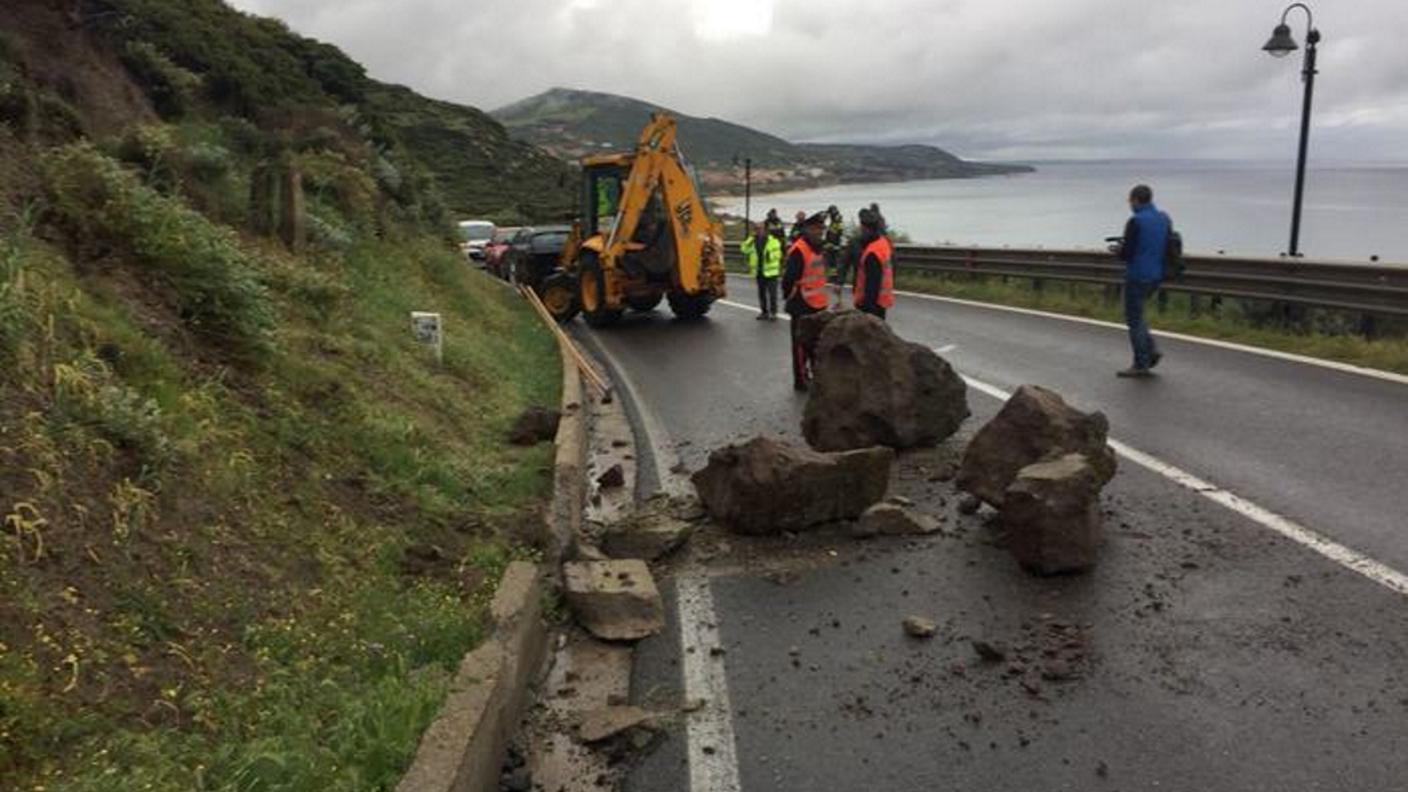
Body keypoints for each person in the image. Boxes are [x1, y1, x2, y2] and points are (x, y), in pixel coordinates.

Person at [1113, 184, 1170, 378]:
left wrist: (1117, 250)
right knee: (1139, 315)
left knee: (1134, 319)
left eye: (1130, 201)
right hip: (1156, 275)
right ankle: (1151, 350)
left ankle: (1141, 363)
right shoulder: (1164, 218)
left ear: (1136, 200)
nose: (1130, 204)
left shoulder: (1135, 221)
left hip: (1137, 274)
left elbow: (1128, 253)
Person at [781, 212, 830, 390]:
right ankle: (800, 380)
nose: (820, 232)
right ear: (808, 229)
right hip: (801, 302)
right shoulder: (799, 249)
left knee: (815, 343)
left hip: (817, 303)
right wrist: (789, 296)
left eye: (821, 229)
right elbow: (789, 278)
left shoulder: (817, 248)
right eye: (817, 229)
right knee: (801, 345)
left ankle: (814, 375)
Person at [852, 208, 893, 319]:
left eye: (862, 228)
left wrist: (868, 311)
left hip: (871, 305)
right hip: (882, 301)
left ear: (866, 229)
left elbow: (872, 285)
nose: (860, 231)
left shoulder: (872, 252)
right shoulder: (883, 242)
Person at [742, 221, 782, 320]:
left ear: (765, 230)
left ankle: (773, 313)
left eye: (760, 228)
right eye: (756, 229)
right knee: (762, 294)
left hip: (771, 272)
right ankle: (764, 312)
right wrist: (750, 238)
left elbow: (779, 254)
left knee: (772, 294)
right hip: (759, 272)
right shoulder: (752, 240)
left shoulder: (773, 240)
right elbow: (744, 249)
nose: (758, 230)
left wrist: (769, 256)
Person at [823, 205, 845, 294]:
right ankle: (833, 278)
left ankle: (836, 279)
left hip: (835, 246)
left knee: (835, 263)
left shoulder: (837, 221)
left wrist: (834, 245)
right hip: (831, 246)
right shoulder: (834, 221)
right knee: (832, 263)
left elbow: (837, 234)